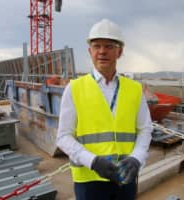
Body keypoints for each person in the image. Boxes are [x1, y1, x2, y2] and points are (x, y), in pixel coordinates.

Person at [56, 18, 153, 200]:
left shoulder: (134, 89)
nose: (102, 52)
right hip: (89, 181)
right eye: (97, 46)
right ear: (89, 51)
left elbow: (145, 129)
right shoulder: (74, 88)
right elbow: (63, 137)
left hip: (126, 178)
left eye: (109, 46)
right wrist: (92, 161)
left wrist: (136, 158)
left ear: (120, 51)